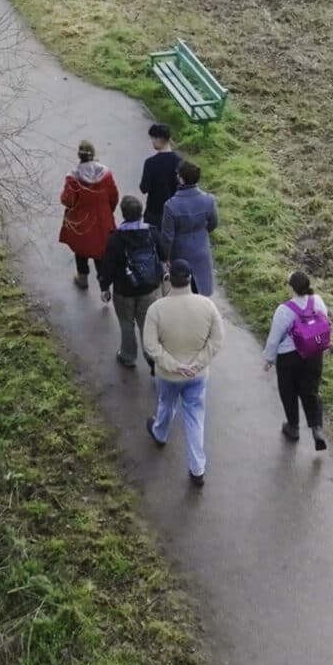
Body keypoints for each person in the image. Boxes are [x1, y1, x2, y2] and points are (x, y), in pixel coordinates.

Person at [142, 259, 222, 488]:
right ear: (190, 278)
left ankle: (160, 433)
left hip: (168, 375)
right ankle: (197, 469)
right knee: (195, 417)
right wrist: (197, 363)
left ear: (169, 280)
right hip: (197, 376)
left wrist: (173, 365)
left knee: (166, 405)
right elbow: (217, 340)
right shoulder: (207, 306)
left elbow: (150, 345)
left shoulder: (156, 309)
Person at [262, 272, 332, 451]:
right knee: (311, 391)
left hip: (289, 358)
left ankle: (293, 427)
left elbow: (274, 338)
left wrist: (269, 359)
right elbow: (325, 319)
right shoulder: (317, 301)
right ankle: (316, 428)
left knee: (289, 391)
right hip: (313, 355)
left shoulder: (284, 310)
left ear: (291, 287)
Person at [97, 193, 166, 369]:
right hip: (150, 288)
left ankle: (128, 356)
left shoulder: (116, 238)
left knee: (127, 324)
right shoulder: (152, 232)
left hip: (124, 290)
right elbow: (164, 256)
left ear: (123, 214)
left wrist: (104, 287)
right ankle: (152, 358)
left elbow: (108, 266)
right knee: (147, 324)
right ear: (141, 212)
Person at [57, 140, 119, 291]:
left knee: (81, 249)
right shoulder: (106, 174)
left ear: (79, 155)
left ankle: (82, 277)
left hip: (81, 221)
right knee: (101, 251)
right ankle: (104, 286)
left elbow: (68, 200)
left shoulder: (73, 178)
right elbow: (114, 196)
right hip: (101, 219)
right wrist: (108, 211)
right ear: (93, 154)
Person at [155, 160, 219, 298]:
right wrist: (202, 232)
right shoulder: (209, 200)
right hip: (201, 251)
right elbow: (213, 223)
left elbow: (167, 237)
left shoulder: (171, 206)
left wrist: (164, 257)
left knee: (183, 296)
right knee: (202, 296)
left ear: (181, 178)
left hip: (180, 255)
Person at [138, 123, 183, 227]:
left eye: (152, 138)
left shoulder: (150, 162)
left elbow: (144, 188)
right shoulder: (179, 161)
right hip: (174, 209)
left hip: (154, 210)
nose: (152, 142)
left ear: (159, 139)